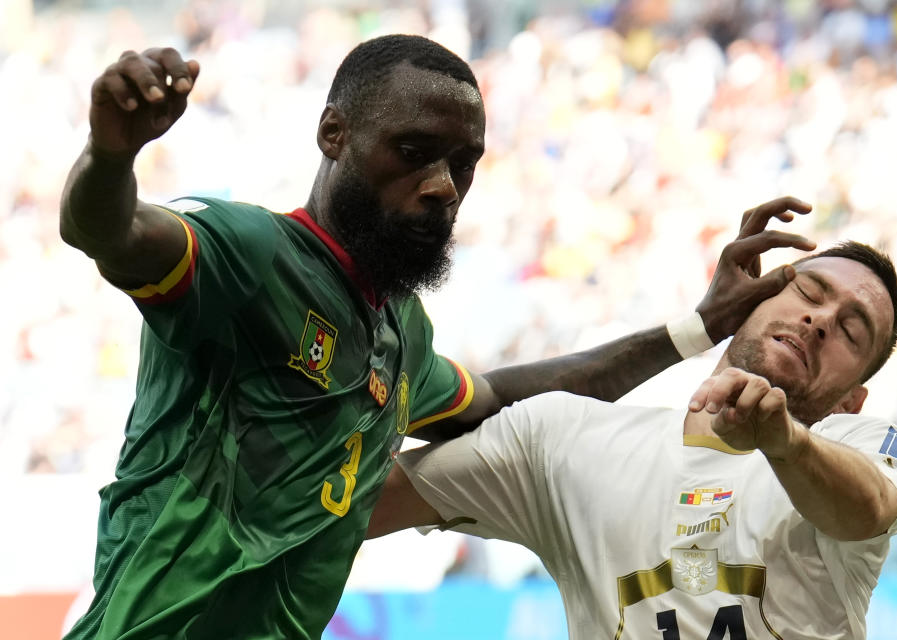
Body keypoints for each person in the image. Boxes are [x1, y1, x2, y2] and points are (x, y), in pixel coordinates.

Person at [59, 34, 814, 639]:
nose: (444, 187)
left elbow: (498, 403)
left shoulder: (396, 331)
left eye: (464, 164)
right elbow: (111, 231)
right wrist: (111, 153)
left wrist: (697, 327)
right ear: (334, 133)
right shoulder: (250, 254)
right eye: (415, 153)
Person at [369, 241, 897, 640]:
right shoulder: (567, 442)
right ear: (748, 303)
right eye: (809, 289)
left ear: (852, 401)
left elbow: (868, 508)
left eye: (852, 331)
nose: (820, 319)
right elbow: (352, 502)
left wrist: (786, 444)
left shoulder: (867, 450)